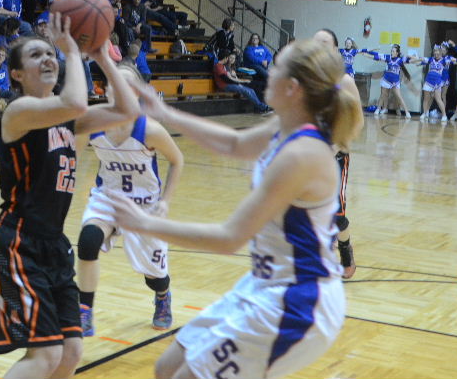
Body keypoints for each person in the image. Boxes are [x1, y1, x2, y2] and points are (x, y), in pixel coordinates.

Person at [108, 39, 361, 379]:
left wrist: (143, 223)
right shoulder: (285, 126)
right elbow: (233, 143)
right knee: (166, 368)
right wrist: (166, 114)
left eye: (276, 66)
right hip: (264, 283)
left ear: (292, 88)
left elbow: (229, 238)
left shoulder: (302, 154)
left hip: (299, 303)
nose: (267, 71)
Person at [0, 12, 140, 378]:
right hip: (17, 242)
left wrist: (101, 56)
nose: (48, 58)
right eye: (36, 55)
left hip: (53, 244)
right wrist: (72, 52)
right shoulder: (19, 111)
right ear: (17, 74)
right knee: (46, 355)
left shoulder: (68, 119)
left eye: (50, 53)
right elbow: (76, 102)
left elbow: (129, 110)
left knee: (71, 352)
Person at [77, 63, 184, 336]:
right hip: (108, 197)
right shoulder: (93, 123)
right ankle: (84, 310)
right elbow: (70, 157)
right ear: (106, 90)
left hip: (145, 204)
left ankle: (163, 295)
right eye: (114, 82)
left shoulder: (150, 130)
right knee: (88, 241)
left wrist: (165, 201)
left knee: (154, 278)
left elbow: (177, 160)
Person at [312, 28, 365, 281]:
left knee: (336, 216)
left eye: (325, 43)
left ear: (334, 50)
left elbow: (358, 122)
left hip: (335, 156)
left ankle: (345, 249)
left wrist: (334, 147)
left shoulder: (344, 81)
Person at [368, 44, 413, 118]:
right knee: (383, 95)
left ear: (397, 53)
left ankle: (407, 112)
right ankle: (378, 109)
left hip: (395, 81)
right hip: (386, 80)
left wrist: (411, 56)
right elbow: (377, 55)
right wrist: (367, 53)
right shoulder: (388, 57)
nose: (391, 52)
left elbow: (411, 60)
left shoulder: (400, 60)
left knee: (399, 96)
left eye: (393, 51)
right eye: (391, 51)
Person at [416, 44, 455, 123]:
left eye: (438, 53)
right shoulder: (431, 59)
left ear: (441, 53)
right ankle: (425, 113)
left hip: (437, 82)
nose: (436, 54)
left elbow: (455, 61)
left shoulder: (444, 60)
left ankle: (444, 115)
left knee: (438, 99)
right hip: (428, 81)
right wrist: (414, 59)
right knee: (426, 98)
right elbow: (422, 59)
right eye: (435, 53)